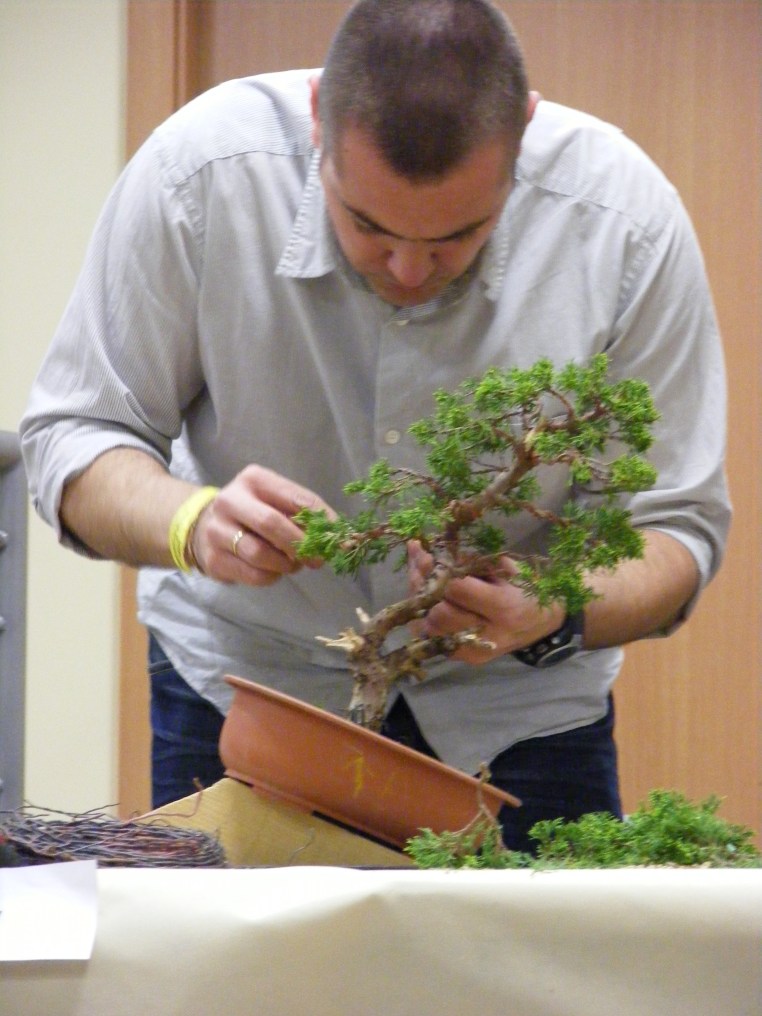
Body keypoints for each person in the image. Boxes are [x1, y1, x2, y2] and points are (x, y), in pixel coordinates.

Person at [20, 0, 729, 851]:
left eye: (459, 235)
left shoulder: (625, 223)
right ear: (319, 116)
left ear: (523, 134)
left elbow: (675, 529)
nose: (408, 269)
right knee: (235, 945)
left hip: (521, 717)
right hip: (246, 689)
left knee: (532, 945)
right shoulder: (200, 175)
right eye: (366, 225)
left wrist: (555, 605)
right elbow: (74, 436)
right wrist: (193, 522)